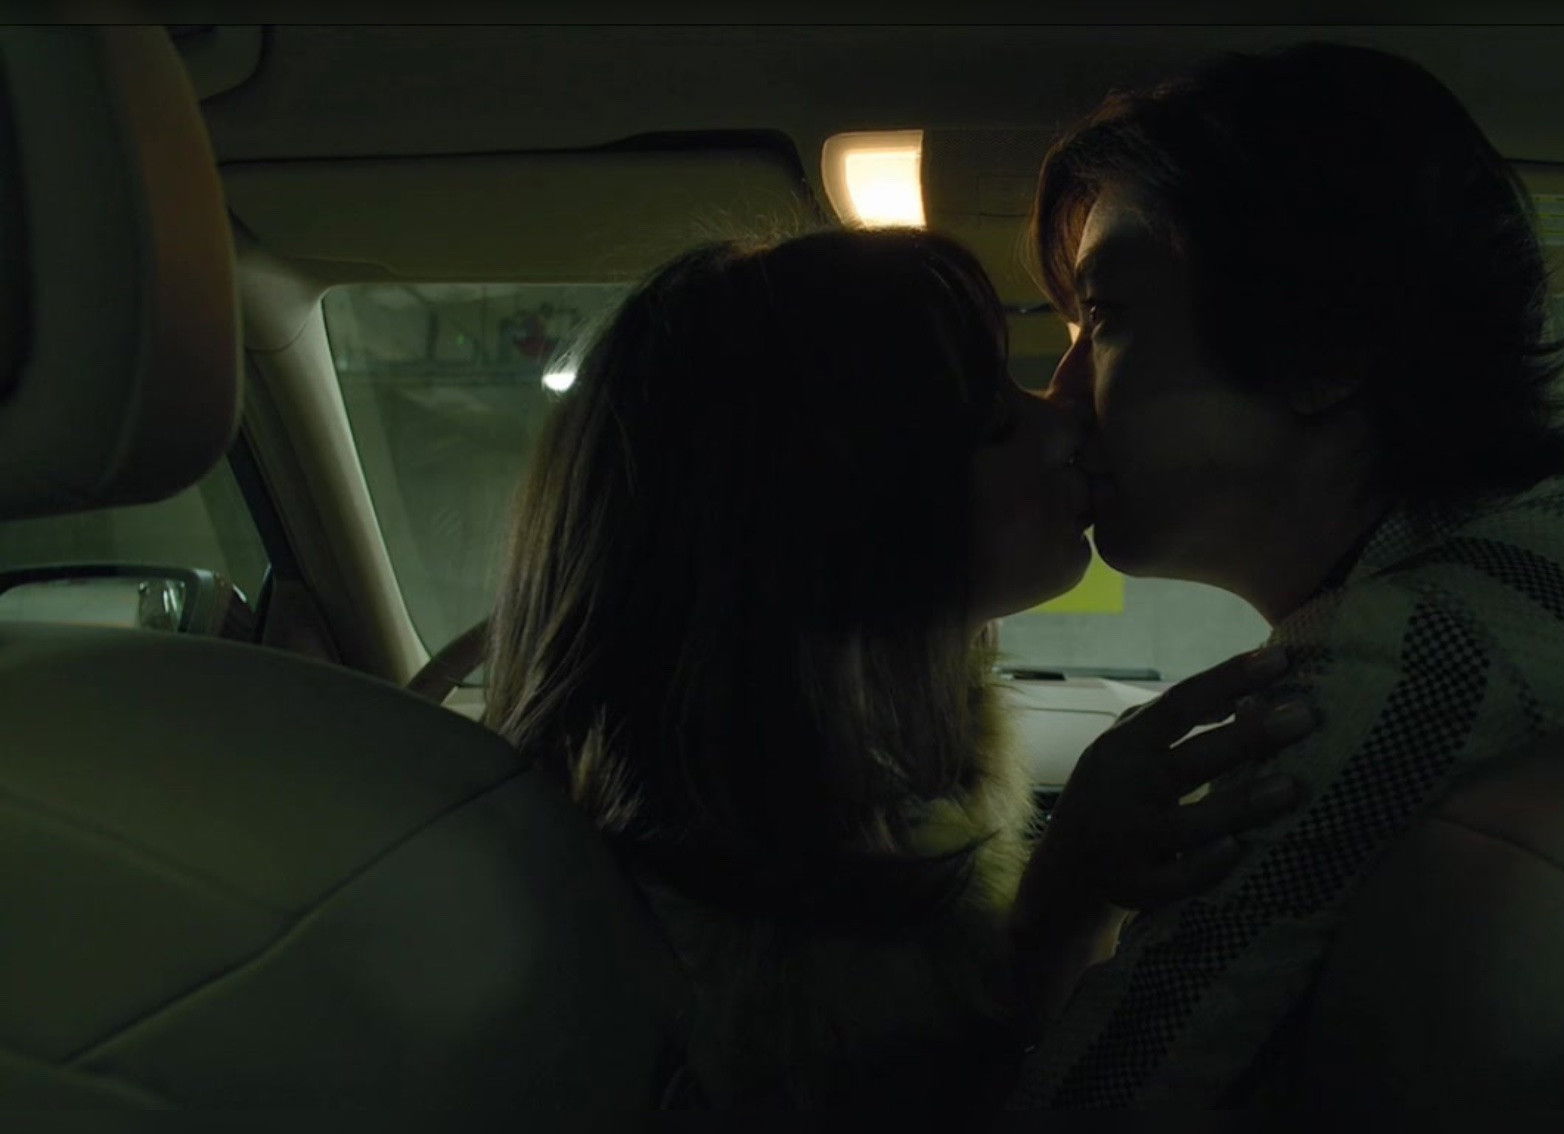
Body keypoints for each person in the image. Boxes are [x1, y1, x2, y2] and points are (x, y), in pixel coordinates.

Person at [1009, 42, 1564, 1107]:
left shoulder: (1405, 668)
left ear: (1324, 347)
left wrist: (1059, 902)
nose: (1061, 396)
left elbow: (1094, 1104)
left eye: (1105, 318)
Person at [480, 227, 1312, 1108]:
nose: (1065, 414)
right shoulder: (662, 984)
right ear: (840, 518)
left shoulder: (786, 830)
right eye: (994, 421)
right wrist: (1061, 909)